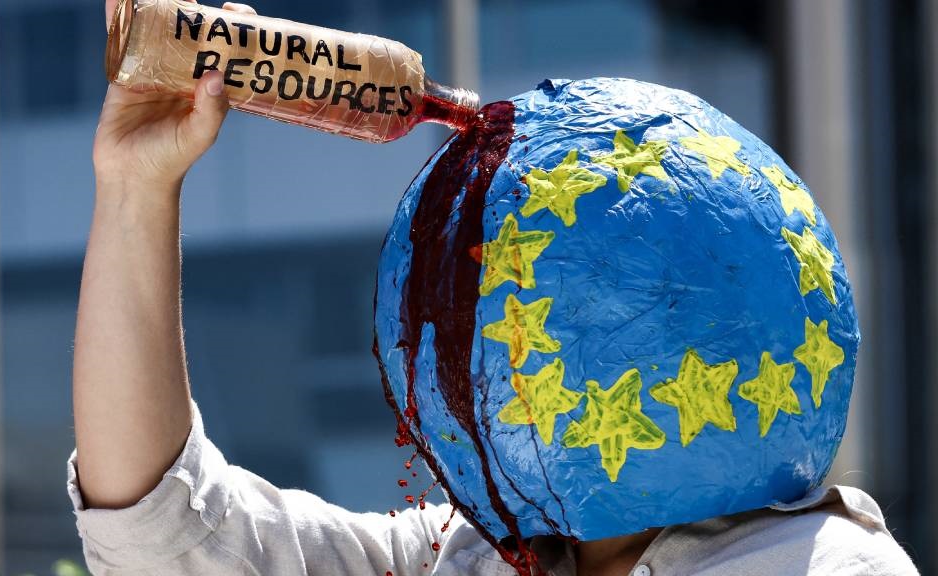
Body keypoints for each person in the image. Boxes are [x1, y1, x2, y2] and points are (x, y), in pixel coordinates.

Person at [69, 1, 920, 574]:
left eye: (546, 313)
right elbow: (167, 533)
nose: (485, 359)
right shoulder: (474, 550)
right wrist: (136, 189)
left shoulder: (821, 565)